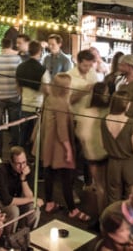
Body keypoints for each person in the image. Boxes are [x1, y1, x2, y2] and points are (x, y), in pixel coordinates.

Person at [40, 73, 89, 221]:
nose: (70, 88)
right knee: (67, 178)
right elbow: (62, 129)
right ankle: (72, 209)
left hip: (49, 144)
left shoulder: (50, 98)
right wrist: (68, 150)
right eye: (68, 86)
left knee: (49, 174)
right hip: (59, 147)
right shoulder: (61, 103)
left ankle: (49, 203)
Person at [74, 81, 111, 211]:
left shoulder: (85, 111)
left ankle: (101, 214)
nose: (108, 95)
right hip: (106, 152)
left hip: (91, 154)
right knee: (105, 186)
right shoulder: (108, 112)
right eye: (107, 93)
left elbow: (80, 133)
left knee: (99, 186)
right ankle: (105, 213)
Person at [101, 90, 133, 203]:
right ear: (126, 105)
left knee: (113, 196)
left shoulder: (104, 120)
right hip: (130, 164)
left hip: (113, 163)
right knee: (131, 197)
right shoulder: (132, 123)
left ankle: (115, 214)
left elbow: (103, 145)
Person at [0, 147, 43, 232]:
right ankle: (10, 236)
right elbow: (7, 200)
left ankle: (30, 234)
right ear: (11, 162)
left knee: (34, 209)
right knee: (14, 211)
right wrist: (32, 199)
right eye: (18, 164)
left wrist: (23, 179)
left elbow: (29, 195)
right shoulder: (1, 170)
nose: (22, 166)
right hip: (0, 202)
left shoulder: (28, 168)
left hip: (19, 200)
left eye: (24, 162)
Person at [15, 40, 46, 152]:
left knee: (23, 132)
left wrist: (22, 96)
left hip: (24, 103)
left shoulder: (20, 67)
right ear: (39, 52)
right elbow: (46, 89)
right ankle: (32, 156)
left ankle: (19, 153)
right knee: (35, 134)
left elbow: (17, 85)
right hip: (38, 105)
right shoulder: (42, 69)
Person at [67, 49, 98, 117]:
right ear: (78, 62)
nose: (88, 68)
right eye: (85, 65)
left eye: (90, 65)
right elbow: (67, 101)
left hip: (90, 115)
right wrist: (83, 92)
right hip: (75, 116)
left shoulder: (92, 72)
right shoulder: (69, 76)